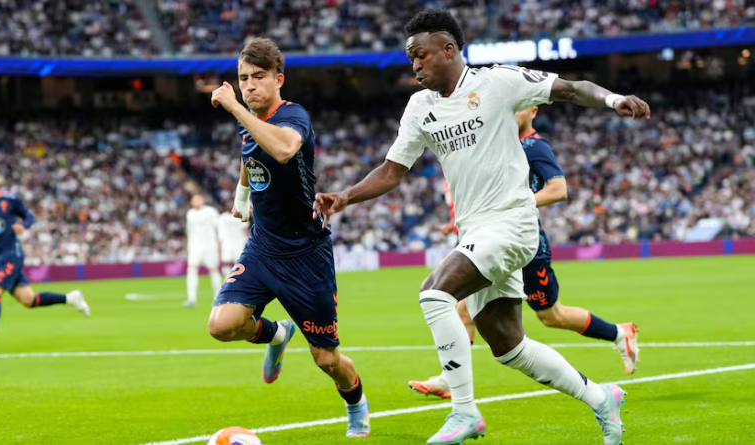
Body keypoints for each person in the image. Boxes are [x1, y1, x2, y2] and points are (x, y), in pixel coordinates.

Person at [313, 9, 649, 445]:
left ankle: (464, 411)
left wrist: (613, 100)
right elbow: (392, 171)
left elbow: (569, 88)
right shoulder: (419, 107)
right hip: (474, 232)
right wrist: (345, 197)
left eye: (421, 55)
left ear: (448, 49)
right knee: (510, 347)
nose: (414, 64)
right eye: (410, 57)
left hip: (512, 222)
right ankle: (602, 398)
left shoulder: (497, 82)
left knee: (434, 294)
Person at [409, 106, 640, 400]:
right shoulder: (502, 144)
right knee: (464, 307)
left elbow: (558, 189)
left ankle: (619, 333)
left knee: (551, 316)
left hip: (527, 246)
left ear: (533, 111)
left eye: (517, 109)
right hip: (498, 240)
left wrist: (518, 203)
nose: (510, 114)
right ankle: (450, 380)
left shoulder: (535, 146)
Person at [207, 37, 369, 438]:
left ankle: (356, 404)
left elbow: (282, 149)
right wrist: (241, 196)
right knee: (221, 325)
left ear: (278, 79)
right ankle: (277, 334)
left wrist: (234, 107)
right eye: (243, 78)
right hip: (263, 248)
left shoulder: (293, 116)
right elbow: (249, 155)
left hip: (305, 255)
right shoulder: (250, 123)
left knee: (327, 360)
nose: (249, 85)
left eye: (258, 77)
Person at [0, 164, 90, 355]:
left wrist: (24, 226)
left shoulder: (10, 198)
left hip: (12, 253)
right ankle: (71, 298)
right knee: (29, 299)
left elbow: (29, 216)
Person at [184, 194, 223, 308]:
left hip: (210, 246)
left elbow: (219, 226)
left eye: (198, 199)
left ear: (203, 200)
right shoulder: (190, 214)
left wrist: (220, 238)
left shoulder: (211, 211)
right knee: (191, 269)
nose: (196, 201)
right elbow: (189, 231)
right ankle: (191, 299)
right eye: (194, 200)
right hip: (195, 247)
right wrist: (189, 246)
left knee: (213, 270)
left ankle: (217, 298)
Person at [217, 202, 250, 273]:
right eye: (228, 205)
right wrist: (220, 241)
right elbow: (220, 230)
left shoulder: (241, 216)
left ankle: (239, 277)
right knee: (226, 261)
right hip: (227, 243)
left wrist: (247, 240)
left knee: (240, 261)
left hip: (239, 242)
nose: (230, 206)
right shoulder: (222, 217)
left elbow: (245, 229)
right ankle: (227, 277)